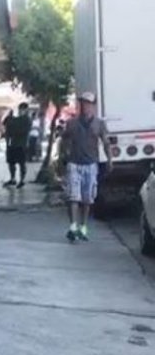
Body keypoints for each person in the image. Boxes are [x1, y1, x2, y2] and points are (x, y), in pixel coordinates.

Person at [59, 91, 113, 243]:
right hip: (74, 163)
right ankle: (73, 226)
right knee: (73, 196)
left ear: (93, 106)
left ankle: (83, 226)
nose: (85, 106)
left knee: (87, 198)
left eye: (88, 103)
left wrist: (110, 159)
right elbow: (64, 140)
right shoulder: (72, 123)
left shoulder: (99, 124)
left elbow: (106, 142)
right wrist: (63, 155)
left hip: (91, 164)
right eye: (83, 103)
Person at [2, 102, 32, 187]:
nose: (21, 111)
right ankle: (13, 179)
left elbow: (21, 130)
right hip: (13, 144)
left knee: (22, 163)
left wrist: (12, 129)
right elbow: (6, 123)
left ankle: (22, 180)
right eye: (20, 109)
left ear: (26, 110)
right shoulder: (16, 119)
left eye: (23, 109)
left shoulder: (27, 119)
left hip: (22, 144)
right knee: (11, 162)